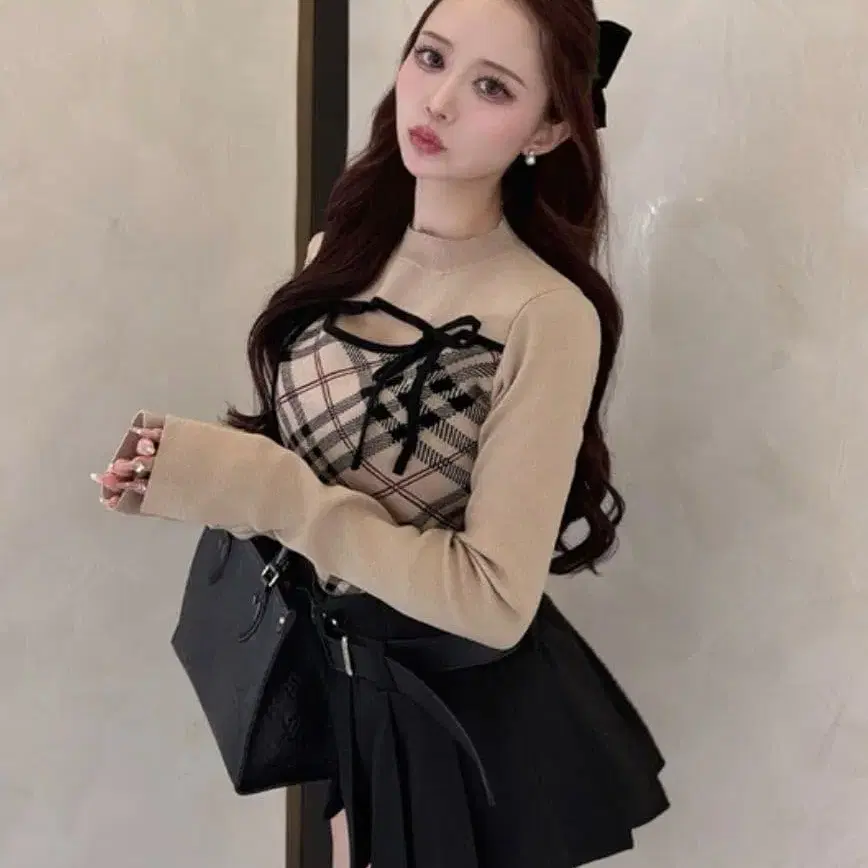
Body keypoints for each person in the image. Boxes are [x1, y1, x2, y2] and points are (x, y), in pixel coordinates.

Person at [92, 0, 669, 865]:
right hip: (345, 693)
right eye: (431, 58)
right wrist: (185, 475)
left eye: (491, 87)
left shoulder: (545, 313)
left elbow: (493, 603)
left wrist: (269, 492)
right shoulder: (342, 251)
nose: (437, 102)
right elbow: (312, 472)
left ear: (548, 129)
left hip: (465, 729)